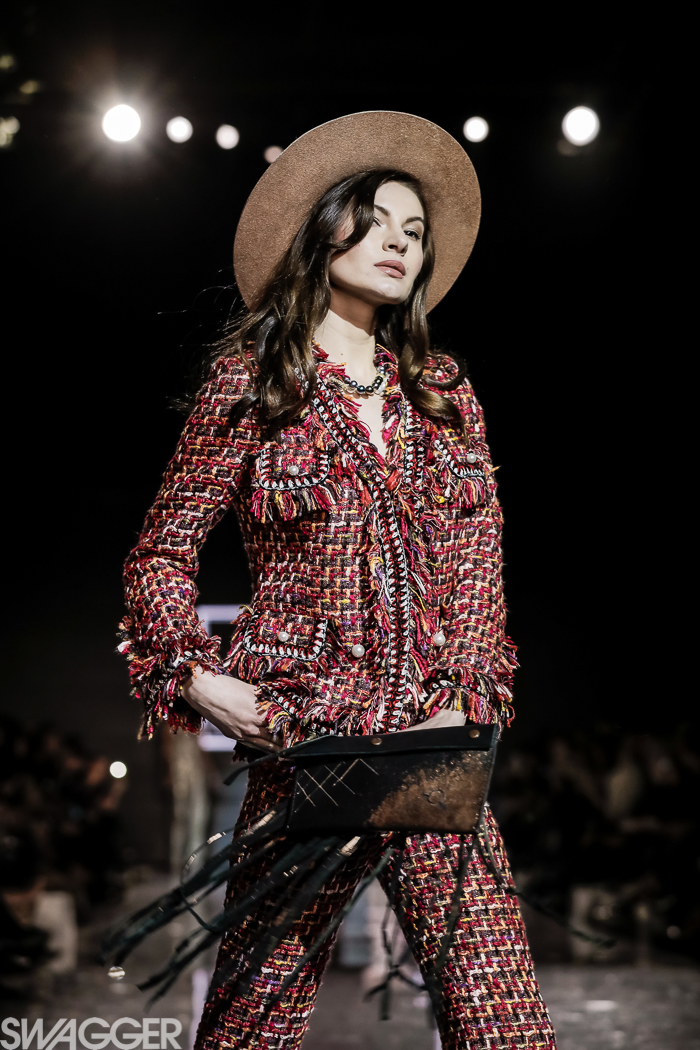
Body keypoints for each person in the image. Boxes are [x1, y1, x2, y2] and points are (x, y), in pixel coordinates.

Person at [120, 112, 556, 1049]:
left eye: (415, 232)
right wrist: (197, 678)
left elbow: (478, 565)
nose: (401, 244)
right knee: (252, 1026)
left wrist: (464, 699)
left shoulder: (442, 393)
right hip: (304, 737)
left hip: (432, 741)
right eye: (378, 222)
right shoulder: (252, 384)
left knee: (504, 1025)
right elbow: (160, 553)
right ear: (325, 231)